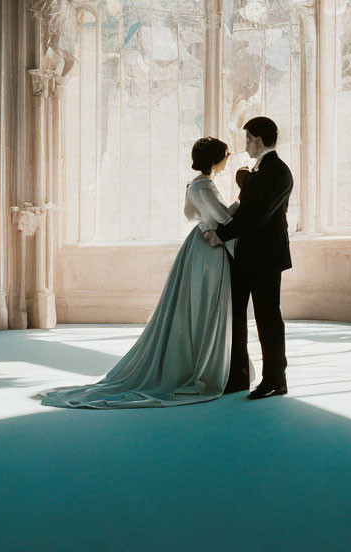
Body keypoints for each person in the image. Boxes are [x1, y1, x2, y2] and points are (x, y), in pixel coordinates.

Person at [40, 138, 239, 408]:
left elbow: (199, 216)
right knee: (204, 304)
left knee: (200, 305)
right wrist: (242, 199)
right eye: (226, 153)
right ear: (215, 158)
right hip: (207, 250)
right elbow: (223, 219)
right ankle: (201, 367)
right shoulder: (202, 185)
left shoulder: (200, 184)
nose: (229, 157)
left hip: (203, 244)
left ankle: (205, 361)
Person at [203, 116, 294, 399]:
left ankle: (275, 380)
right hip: (246, 254)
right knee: (237, 316)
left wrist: (222, 234)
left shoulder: (277, 170)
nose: (246, 146)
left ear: (260, 140)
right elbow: (245, 209)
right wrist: (225, 232)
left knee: (268, 317)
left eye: (248, 139)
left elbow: (259, 214)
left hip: (266, 256)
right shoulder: (260, 169)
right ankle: (238, 376)